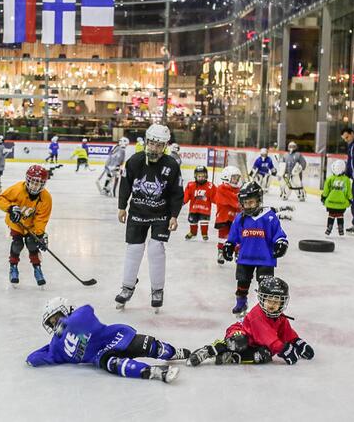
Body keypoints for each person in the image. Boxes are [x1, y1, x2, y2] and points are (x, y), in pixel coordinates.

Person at [26, 297, 189, 383]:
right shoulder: (57, 344)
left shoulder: (79, 317)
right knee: (114, 364)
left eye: (57, 318)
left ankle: (173, 353)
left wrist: (66, 324)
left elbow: (86, 311)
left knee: (151, 347)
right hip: (100, 356)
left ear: (67, 310)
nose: (55, 324)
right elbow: (34, 358)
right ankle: (155, 373)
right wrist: (48, 347)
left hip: (117, 337)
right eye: (52, 322)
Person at [115, 124, 183, 312]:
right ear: (146, 141)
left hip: (161, 214)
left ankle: (157, 290)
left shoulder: (171, 165)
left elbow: (177, 193)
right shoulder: (135, 161)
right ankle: (127, 287)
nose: (154, 148)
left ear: (165, 146)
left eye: (158, 145)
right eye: (151, 143)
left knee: (156, 249)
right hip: (137, 212)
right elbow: (125, 184)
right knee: (134, 249)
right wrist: (122, 207)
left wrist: (174, 216)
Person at [187, 277, 314, 367]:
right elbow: (271, 340)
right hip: (240, 332)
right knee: (239, 342)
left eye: (276, 302)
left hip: (255, 342)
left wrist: (300, 344)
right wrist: (284, 349)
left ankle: (234, 357)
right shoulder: (257, 315)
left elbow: (288, 334)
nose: (272, 304)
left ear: (282, 303)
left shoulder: (280, 317)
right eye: (269, 300)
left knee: (264, 356)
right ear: (262, 299)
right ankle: (210, 350)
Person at [222, 181, 288, 315]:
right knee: (242, 282)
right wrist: (229, 245)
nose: (248, 206)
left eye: (251, 202)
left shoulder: (269, 217)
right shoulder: (240, 218)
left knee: (265, 285)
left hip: (265, 258)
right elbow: (233, 236)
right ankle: (241, 303)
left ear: (259, 200)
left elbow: (278, 234)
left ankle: (264, 307)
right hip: (245, 257)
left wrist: (281, 243)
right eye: (245, 203)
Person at [0, 165, 52, 287]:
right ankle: (13, 267)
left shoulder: (46, 198)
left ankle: (37, 269)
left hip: (31, 226)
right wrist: (10, 209)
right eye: (32, 182)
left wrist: (40, 234)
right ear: (27, 180)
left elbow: (41, 219)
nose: (35, 186)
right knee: (18, 244)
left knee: (32, 243)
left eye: (39, 183)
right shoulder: (17, 189)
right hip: (17, 224)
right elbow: (0, 199)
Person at [213, 166, 242, 265]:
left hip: (235, 217)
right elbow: (235, 201)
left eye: (237, 178)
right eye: (234, 177)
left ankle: (237, 252)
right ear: (226, 177)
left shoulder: (238, 189)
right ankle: (221, 252)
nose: (236, 180)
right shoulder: (222, 188)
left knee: (238, 236)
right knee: (223, 236)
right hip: (224, 217)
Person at [183, 166, 216, 241]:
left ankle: (204, 233)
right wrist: (183, 201)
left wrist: (219, 202)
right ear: (195, 176)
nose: (201, 178)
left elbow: (215, 197)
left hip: (205, 209)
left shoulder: (210, 186)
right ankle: (193, 233)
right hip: (194, 209)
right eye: (199, 176)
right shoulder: (191, 185)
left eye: (203, 176)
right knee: (192, 221)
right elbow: (186, 195)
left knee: (204, 222)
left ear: (206, 176)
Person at [322, 159, 352, 236]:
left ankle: (329, 228)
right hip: (342, 204)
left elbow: (326, 191)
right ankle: (341, 229)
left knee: (331, 215)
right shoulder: (347, 180)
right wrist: (350, 200)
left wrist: (323, 197)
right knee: (340, 215)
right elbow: (349, 192)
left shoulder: (330, 179)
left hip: (330, 203)